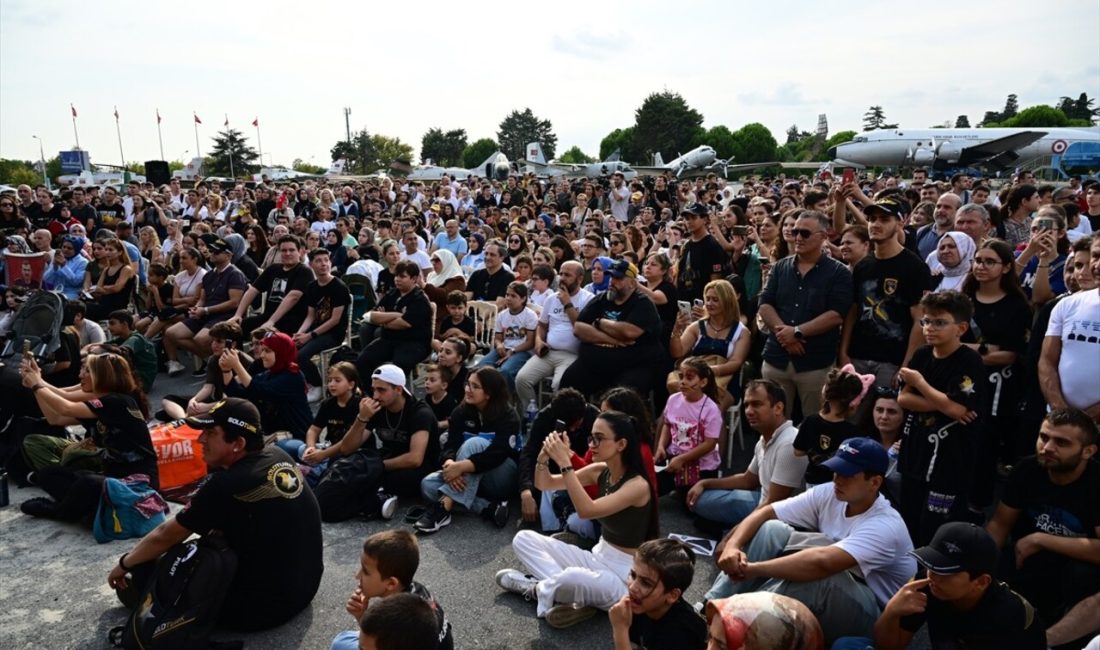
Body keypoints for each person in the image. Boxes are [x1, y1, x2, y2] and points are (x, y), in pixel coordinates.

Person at [106, 398, 323, 632]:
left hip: (265, 610)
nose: (200, 439)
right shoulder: (279, 455)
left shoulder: (225, 484)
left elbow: (165, 535)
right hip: (305, 587)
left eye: (210, 433)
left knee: (139, 575)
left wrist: (124, 563)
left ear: (238, 443)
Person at [707, 437, 916, 645]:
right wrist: (733, 545)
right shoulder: (831, 492)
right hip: (843, 589)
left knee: (820, 581)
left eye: (847, 474)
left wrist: (753, 569)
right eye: (836, 470)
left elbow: (822, 563)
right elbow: (767, 512)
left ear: (875, 482)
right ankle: (710, 608)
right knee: (772, 529)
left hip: (878, 622)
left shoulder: (886, 525)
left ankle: (738, 624)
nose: (837, 479)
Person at [497, 411, 659, 628]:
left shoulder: (637, 485)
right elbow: (544, 484)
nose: (592, 444)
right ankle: (572, 597)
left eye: (599, 438)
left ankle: (536, 589)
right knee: (523, 539)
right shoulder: (601, 471)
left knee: (572, 577)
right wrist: (544, 457)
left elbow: (586, 510)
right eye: (591, 437)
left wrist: (565, 461)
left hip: (623, 576)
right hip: (597, 556)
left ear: (621, 444)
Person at [832, 522, 1047, 650]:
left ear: (981, 582)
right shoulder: (926, 582)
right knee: (848, 645)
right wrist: (891, 612)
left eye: (946, 572)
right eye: (931, 566)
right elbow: (889, 646)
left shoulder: (1012, 617)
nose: (933, 576)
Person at [986, 408, 1100, 637]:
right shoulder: (1027, 469)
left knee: (1081, 575)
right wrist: (978, 566)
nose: (1047, 448)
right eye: (1044, 437)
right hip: (1027, 557)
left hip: (1077, 567)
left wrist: (1041, 539)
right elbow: (999, 525)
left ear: (1088, 451)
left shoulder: (1096, 482)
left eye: (1061, 443)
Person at [19, 353, 156, 523]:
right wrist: (36, 386)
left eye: (87, 371)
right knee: (49, 474)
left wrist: (36, 385)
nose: (80, 375)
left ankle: (60, 512)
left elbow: (66, 408)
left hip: (135, 484)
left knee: (88, 482)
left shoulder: (118, 401)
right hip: (111, 476)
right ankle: (85, 509)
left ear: (104, 375)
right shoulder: (101, 403)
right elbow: (56, 418)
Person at [897, 290, 986, 546]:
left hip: (950, 461)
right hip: (915, 453)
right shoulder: (922, 355)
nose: (929, 328)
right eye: (926, 321)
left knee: (936, 530)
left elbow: (959, 411)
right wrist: (943, 403)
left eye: (939, 322)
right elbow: (904, 399)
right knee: (910, 523)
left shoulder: (970, 362)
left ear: (961, 328)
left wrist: (921, 383)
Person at [311, 364, 438, 522]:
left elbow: (415, 458)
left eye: (381, 390)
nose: (376, 395)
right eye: (374, 389)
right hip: (388, 458)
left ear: (398, 389)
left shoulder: (419, 412)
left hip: (418, 468)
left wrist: (377, 466)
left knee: (375, 479)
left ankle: (377, 501)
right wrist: (362, 418)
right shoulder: (378, 406)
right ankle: (373, 499)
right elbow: (347, 448)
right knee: (340, 462)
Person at [758, 210, 854, 419]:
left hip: (815, 364)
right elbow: (764, 303)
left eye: (805, 233)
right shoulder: (780, 267)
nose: (798, 237)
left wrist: (798, 332)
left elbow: (837, 314)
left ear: (823, 237)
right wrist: (785, 334)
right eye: (795, 232)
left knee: (815, 423)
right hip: (776, 359)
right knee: (772, 425)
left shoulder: (839, 273)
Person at [687, 379, 807, 532]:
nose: (749, 411)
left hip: (776, 517)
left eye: (756, 404)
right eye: (746, 405)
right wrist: (704, 483)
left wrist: (734, 535)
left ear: (778, 408)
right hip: (760, 500)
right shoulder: (764, 438)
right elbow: (748, 480)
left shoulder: (789, 443)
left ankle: (731, 530)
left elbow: (774, 504)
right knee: (699, 500)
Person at [840, 197, 932, 390]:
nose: (876, 224)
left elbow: (919, 320)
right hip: (858, 356)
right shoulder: (863, 266)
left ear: (900, 223)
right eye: (872, 219)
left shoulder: (915, 267)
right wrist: (843, 352)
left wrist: (906, 365)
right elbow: (854, 310)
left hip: (892, 361)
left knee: (884, 417)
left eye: (884, 219)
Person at [416, 367, 520, 533]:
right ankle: (488, 508)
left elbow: (499, 453)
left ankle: (443, 509)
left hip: (501, 476)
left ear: (489, 393)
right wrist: (450, 462)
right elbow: (450, 445)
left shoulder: (507, 415)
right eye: (467, 384)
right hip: (469, 478)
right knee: (428, 485)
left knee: (474, 443)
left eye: (474, 386)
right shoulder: (460, 412)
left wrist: (462, 467)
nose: (467, 390)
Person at [330, 530, 453, 650]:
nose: (357, 575)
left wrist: (362, 617)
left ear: (391, 583)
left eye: (366, 572)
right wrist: (362, 615)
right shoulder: (414, 593)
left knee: (341, 642)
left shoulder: (396, 619)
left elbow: (372, 643)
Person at [561, 260, 665, 398]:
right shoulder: (602, 299)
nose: (612, 282)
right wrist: (611, 339)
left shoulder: (643, 303)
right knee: (568, 386)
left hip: (633, 366)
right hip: (595, 364)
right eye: (610, 277)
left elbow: (629, 332)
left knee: (622, 397)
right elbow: (579, 328)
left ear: (633, 283)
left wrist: (600, 323)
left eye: (618, 278)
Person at [514, 260, 594, 410]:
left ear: (580, 279)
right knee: (522, 379)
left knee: (559, 385)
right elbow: (542, 326)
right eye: (561, 274)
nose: (562, 278)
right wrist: (538, 341)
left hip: (572, 355)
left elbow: (581, 328)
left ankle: (555, 418)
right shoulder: (552, 299)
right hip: (548, 352)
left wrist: (567, 303)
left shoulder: (588, 299)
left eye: (568, 275)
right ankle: (532, 414)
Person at [163, 237, 248, 377]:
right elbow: (202, 298)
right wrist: (197, 308)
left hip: (226, 315)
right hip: (206, 314)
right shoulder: (209, 275)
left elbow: (234, 302)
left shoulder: (235, 274)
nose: (212, 253)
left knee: (200, 339)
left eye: (217, 252)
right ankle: (211, 360)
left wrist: (206, 310)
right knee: (172, 333)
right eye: (211, 251)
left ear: (228, 255)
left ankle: (219, 364)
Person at [517, 387, 600, 529]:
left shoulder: (595, 419)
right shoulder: (545, 416)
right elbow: (529, 454)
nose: (572, 430)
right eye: (568, 427)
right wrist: (526, 491)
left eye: (576, 425)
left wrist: (567, 455)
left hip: (584, 474)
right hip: (551, 474)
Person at [1038, 234, 1100, 416]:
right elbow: (1047, 361)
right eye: (1096, 256)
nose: (1097, 265)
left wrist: (1089, 418)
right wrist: (1060, 411)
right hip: (1060, 422)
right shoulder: (1067, 304)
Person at [608, 539, 708, 650]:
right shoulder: (640, 606)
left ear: (672, 595)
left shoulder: (680, 634)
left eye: (646, 583)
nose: (632, 587)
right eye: (633, 575)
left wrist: (620, 629)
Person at [668, 279, 750, 412]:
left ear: (727, 301)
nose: (710, 303)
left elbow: (736, 363)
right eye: (708, 299)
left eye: (715, 300)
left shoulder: (741, 332)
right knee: (670, 410)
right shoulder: (697, 327)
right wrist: (676, 330)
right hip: (693, 380)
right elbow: (678, 352)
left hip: (725, 383)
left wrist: (708, 372)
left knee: (714, 410)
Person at [279, 362, 362, 485]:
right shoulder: (328, 404)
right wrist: (311, 447)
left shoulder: (358, 406)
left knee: (333, 466)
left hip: (347, 455)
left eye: (337, 380)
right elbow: (313, 430)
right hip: (326, 449)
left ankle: (311, 474)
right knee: (283, 446)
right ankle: (310, 469)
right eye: (329, 380)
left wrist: (322, 455)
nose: (331, 384)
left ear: (351, 384)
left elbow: (346, 444)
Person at [222, 331, 313, 441]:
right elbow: (237, 393)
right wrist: (226, 370)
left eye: (267, 351)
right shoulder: (268, 374)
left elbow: (256, 389)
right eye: (263, 350)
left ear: (281, 352)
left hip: (300, 440)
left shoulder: (293, 376)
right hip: (274, 437)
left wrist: (236, 364)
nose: (262, 355)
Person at [792, 365, 872, 486]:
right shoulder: (855, 433)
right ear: (854, 403)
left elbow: (798, 452)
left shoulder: (810, 420)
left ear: (825, 393)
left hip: (813, 482)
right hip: (839, 485)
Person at [653, 357, 722, 497]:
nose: (682, 382)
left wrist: (683, 459)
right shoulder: (673, 399)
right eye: (681, 377)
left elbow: (710, 443)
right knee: (649, 490)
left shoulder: (711, 409)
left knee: (691, 506)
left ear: (703, 382)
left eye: (689, 378)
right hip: (674, 459)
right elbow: (667, 424)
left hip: (700, 465)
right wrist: (661, 446)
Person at [356, 260, 432, 379]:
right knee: (362, 361)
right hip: (389, 338)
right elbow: (372, 316)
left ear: (414, 279)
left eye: (402, 276)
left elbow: (404, 324)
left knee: (397, 369)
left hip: (413, 343)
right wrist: (397, 315)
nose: (397, 279)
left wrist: (383, 319)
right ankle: (372, 393)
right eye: (396, 275)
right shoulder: (392, 293)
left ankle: (398, 396)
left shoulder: (420, 299)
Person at [159, 321, 248, 421]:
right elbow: (207, 387)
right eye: (213, 341)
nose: (214, 345)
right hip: (215, 400)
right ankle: (184, 420)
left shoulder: (243, 361)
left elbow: (233, 398)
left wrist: (207, 407)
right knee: (168, 400)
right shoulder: (214, 359)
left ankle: (189, 419)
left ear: (233, 344)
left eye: (219, 341)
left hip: (233, 405)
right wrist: (194, 400)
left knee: (217, 411)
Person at [292, 247, 351, 399]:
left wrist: (309, 336)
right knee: (290, 346)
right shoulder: (312, 286)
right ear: (311, 264)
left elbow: (335, 320)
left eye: (326, 260)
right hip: (316, 330)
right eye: (318, 261)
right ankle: (304, 382)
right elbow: (310, 316)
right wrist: (300, 333)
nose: (323, 264)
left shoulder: (339, 287)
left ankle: (318, 385)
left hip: (334, 333)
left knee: (301, 356)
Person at [229, 234, 313, 336]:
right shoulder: (273, 269)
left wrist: (271, 322)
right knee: (233, 330)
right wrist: (238, 315)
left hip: (291, 321)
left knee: (265, 336)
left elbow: (293, 297)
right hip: (267, 317)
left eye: (292, 250)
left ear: (299, 252)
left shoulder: (304, 271)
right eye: (284, 250)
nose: (287, 253)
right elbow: (252, 290)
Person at [476, 281, 537, 388]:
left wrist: (512, 351)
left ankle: (505, 399)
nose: (508, 298)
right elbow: (498, 338)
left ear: (523, 299)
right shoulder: (502, 315)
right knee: (482, 367)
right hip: (505, 348)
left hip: (522, 351)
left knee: (505, 371)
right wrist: (499, 345)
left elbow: (530, 342)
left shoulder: (530, 316)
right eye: (507, 295)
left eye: (513, 296)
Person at [676, 204, 730, 303]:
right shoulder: (687, 245)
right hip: (685, 302)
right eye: (687, 218)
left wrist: (709, 303)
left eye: (693, 218)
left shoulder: (712, 245)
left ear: (704, 220)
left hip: (703, 302)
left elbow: (715, 280)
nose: (689, 222)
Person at [104, 310, 157, 392]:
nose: (109, 327)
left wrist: (103, 349)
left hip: (142, 382)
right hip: (132, 377)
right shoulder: (122, 338)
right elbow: (102, 345)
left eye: (112, 323)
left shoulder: (135, 338)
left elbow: (122, 351)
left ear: (124, 324)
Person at [41, 235, 88, 300]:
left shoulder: (83, 262)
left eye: (69, 248)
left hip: (72, 294)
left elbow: (76, 282)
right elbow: (46, 279)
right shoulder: (58, 257)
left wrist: (64, 266)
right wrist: (54, 267)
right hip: (55, 292)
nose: (65, 250)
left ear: (76, 249)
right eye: (64, 247)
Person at [423, 249, 466, 316]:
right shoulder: (431, 276)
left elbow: (446, 295)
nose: (434, 263)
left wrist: (424, 286)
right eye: (432, 260)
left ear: (446, 261)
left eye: (437, 260)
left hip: (444, 317)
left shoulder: (457, 279)